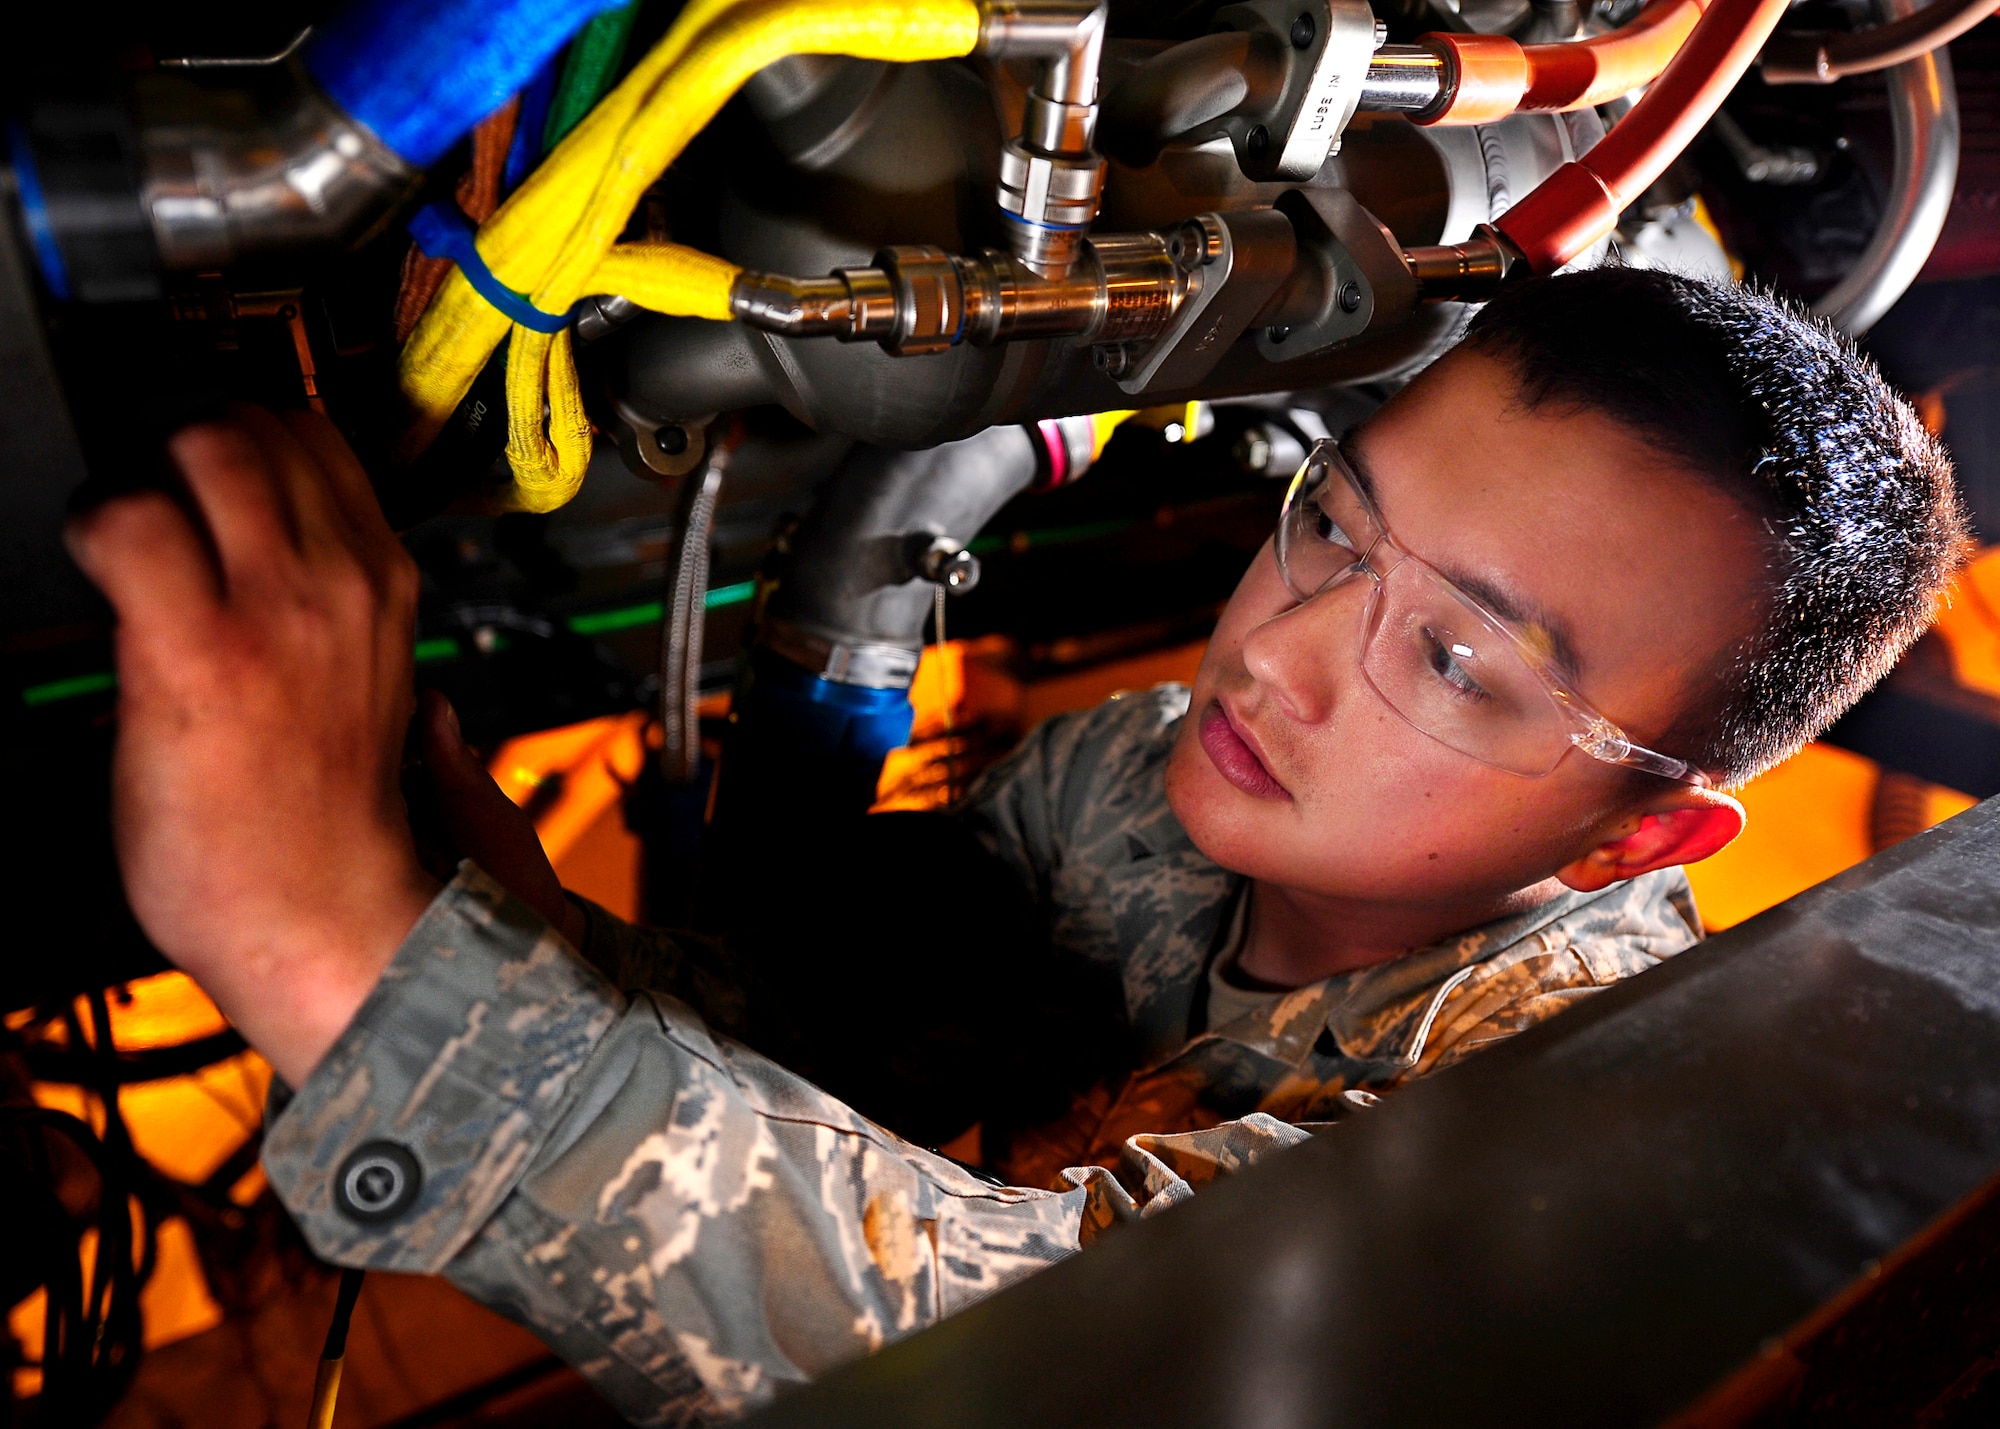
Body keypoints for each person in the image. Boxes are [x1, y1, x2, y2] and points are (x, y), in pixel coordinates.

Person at [65, 268, 1962, 1423]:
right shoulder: (1141, 773)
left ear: (1647, 834)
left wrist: (330, 951)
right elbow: (830, 1052)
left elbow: (1068, 1364)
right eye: (1333, 523)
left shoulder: (1567, 1130)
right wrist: (497, 910)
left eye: (1455, 657)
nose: (1283, 652)